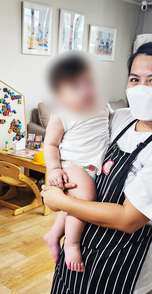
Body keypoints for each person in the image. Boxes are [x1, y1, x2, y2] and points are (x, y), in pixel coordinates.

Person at [41, 42, 152, 294]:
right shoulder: (120, 119)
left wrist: (60, 202)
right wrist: (55, 172)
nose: (141, 87)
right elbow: (73, 144)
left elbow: (129, 219)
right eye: (135, 79)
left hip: (121, 269)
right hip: (80, 251)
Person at [42, 52, 109, 272]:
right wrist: (53, 170)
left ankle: (53, 235)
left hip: (94, 164)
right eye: (74, 86)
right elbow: (50, 145)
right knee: (85, 198)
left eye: (89, 83)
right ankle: (71, 243)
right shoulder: (61, 114)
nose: (85, 91)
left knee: (70, 206)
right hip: (75, 165)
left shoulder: (102, 105)